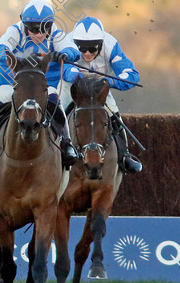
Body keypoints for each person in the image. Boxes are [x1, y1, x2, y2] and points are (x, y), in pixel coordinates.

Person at [0, 0, 80, 168]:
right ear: (24, 24)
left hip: (43, 87)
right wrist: (15, 59)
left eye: (44, 29)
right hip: (14, 86)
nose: (39, 34)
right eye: (33, 29)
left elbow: (73, 50)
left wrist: (65, 54)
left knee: (54, 99)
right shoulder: (15, 31)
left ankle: (67, 145)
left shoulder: (56, 33)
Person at [61, 17, 143, 173]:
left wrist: (110, 82)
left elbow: (131, 74)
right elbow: (64, 69)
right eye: (82, 49)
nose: (86, 53)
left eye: (92, 48)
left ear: (101, 44)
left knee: (114, 114)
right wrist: (76, 77)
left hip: (99, 87)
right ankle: (59, 151)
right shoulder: (67, 42)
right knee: (57, 112)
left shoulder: (111, 45)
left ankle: (124, 155)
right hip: (71, 86)